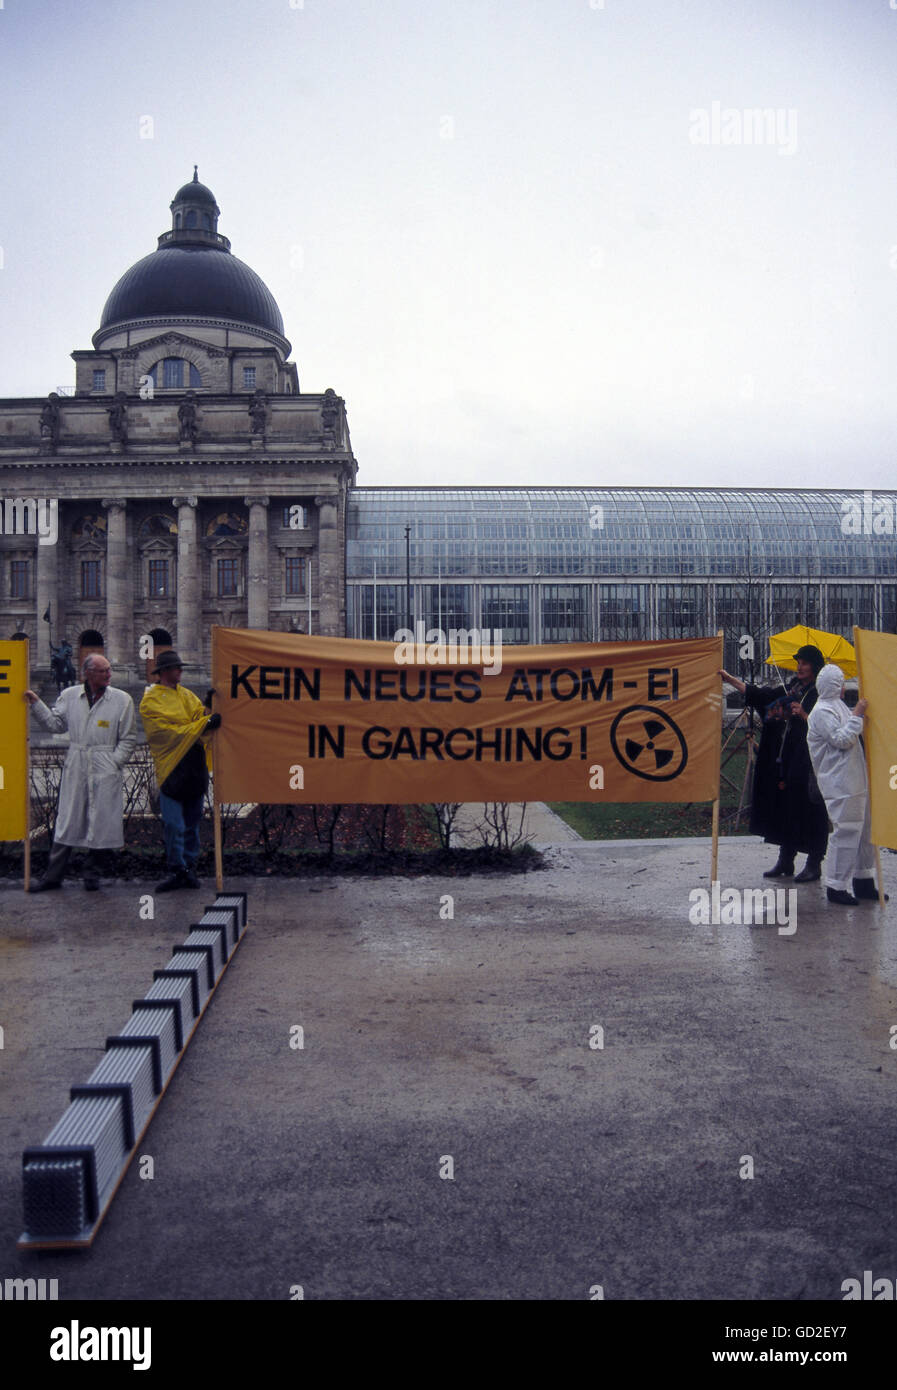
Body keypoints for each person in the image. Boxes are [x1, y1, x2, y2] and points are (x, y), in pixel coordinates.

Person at [24, 654, 137, 891]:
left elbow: (128, 738)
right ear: (88, 673)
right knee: (67, 819)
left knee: (101, 820)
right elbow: (55, 724)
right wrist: (36, 704)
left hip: (104, 764)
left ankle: (92, 874)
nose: (108, 675)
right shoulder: (70, 696)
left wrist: (114, 762)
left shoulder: (122, 700)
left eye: (109, 670)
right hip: (77, 762)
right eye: (103, 671)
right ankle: (53, 877)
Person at [720, 644, 828, 881]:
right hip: (786, 759)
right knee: (786, 807)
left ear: (815, 666)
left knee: (812, 810)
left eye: (805, 662)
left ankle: (814, 862)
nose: (799, 666)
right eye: (798, 661)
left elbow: (828, 729)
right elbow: (763, 697)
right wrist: (730, 679)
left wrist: (803, 715)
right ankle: (785, 859)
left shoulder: (822, 694)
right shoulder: (792, 688)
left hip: (809, 762)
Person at [139, 651, 221, 892]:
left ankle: (189, 868)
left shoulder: (187, 695)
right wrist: (203, 724)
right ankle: (177, 868)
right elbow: (166, 734)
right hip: (172, 770)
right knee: (174, 824)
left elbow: (197, 720)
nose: (180, 672)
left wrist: (207, 708)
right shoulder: (150, 700)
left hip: (194, 768)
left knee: (192, 823)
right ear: (164, 672)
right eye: (176, 668)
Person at [807, 664, 887, 906]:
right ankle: (836, 885)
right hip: (840, 783)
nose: (843, 688)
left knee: (865, 832)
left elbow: (850, 729)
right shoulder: (821, 712)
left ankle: (864, 880)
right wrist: (858, 715)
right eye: (840, 683)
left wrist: (860, 716)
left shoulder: (836, 706)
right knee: (847, 831)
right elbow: (842, 740)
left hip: (854, 779)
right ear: (833, 685)